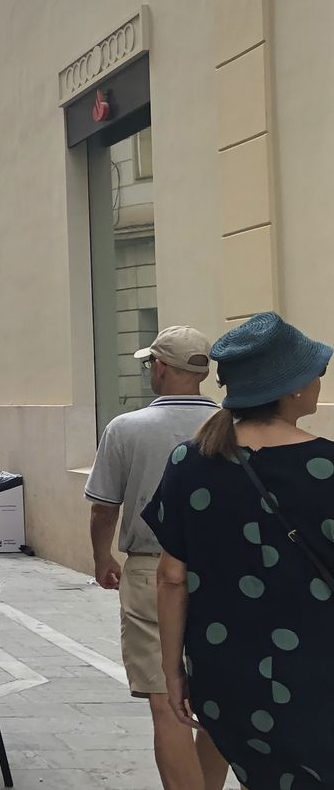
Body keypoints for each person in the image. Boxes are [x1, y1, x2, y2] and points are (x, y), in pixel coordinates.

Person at [141, 313, 334, 789]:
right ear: (290, 388)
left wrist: (173, 671)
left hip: (223, 667)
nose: (318, 380)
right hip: (319, 667)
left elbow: (170, 577)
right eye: (315, 371)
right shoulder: (327, 466)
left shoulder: (190, 461)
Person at [82, 326, 226, 790]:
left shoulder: (126, 428)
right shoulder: (231, 426)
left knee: (165, 702)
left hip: (150, 568)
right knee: (218, 697)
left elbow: (105, 506)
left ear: (161, 368)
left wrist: (102, 557)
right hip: (223, 572)